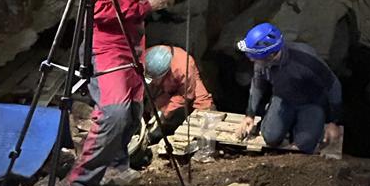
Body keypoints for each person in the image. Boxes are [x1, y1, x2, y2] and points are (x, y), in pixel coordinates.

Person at [66, 0, 181, 186]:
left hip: (130, 46)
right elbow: (97, 10)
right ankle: (81, 184)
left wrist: (147, 0)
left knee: (132, 113)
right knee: (114, 113)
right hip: (106, 48)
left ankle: (117, 166)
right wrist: (145, 5)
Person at [235, 22, 343, 154]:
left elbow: (334, 86)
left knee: (303, 147)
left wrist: (333, 121)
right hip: (283, 99)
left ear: (270, 55)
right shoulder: (261, 62)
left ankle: (311, 128)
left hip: (311, 103)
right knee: (271, 138)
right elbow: (258, 85)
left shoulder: (305, 60)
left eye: (255, 56)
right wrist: (250, 115)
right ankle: (273, 113)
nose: (252, 60)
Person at [143, 43, 215, 137]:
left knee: (203, 104)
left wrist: (164, 113)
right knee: (153, 106)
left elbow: (186, 95)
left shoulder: (184, 67)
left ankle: (203, 135)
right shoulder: (146, 57)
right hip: (160, 83)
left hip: (185, 85)